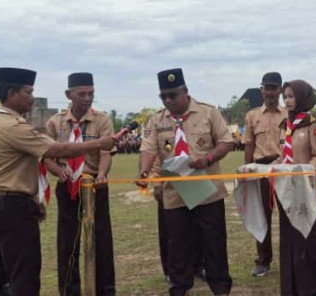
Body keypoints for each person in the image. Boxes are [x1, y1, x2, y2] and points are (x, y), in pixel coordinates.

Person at [0, 67, 116, 296]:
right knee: (24, 272)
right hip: (11, 205)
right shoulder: (13, 126)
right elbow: (57, 149)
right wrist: (98, 144)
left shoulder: (2, 120)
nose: (32, 97)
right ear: (12, 93)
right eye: (28, 92)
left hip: (0, 200)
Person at [138, 68, 234, 296]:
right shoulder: (157, 119)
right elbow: (148, 149)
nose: (168, 100)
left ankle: (220, 288)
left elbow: (226, 141)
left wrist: (208, 158)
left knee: (214, 242)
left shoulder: (208, 113)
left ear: (185, 92)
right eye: (163, 96)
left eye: (172, 95)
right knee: (178, 245)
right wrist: (143, 172)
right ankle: (179, 288)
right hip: (175, 194)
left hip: (208, 191)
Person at [42, 72, 116, 296]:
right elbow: (46, 156)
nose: (87, 98)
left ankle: (106, 290)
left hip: (94, 184)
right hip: (67, 187)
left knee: (101, 240)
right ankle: (69, 291)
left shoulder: (102, 120)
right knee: (68, 242)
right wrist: (58, 171)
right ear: (68, 94)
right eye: (81, 94)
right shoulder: (55, 123)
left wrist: (102, 174)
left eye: (91, 93)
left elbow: (106, 153)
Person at [275, 80, 316, 296]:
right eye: (285, 97)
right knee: (289, 240)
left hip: (307, 191)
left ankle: (313, 287)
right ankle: (291, 288)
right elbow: (282, 157)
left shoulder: (312, 125)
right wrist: (261, 168)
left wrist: (304, 171)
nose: (287, 100)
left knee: (306, 241)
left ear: (302, 97)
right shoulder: (285, 126)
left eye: (291, 96)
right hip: (286, 191)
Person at [242, 71, 287, 277]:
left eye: (273, 88)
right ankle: (263, 261)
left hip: (285, 169)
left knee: (289, 214)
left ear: (280, 90)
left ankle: (290, 257)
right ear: (261, 89)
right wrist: (247, 172)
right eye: (266, 88)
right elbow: (249, 147)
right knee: (262, 217)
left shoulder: (289, 114)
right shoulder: (252, 116)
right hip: (260, 169)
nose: (270, 92)